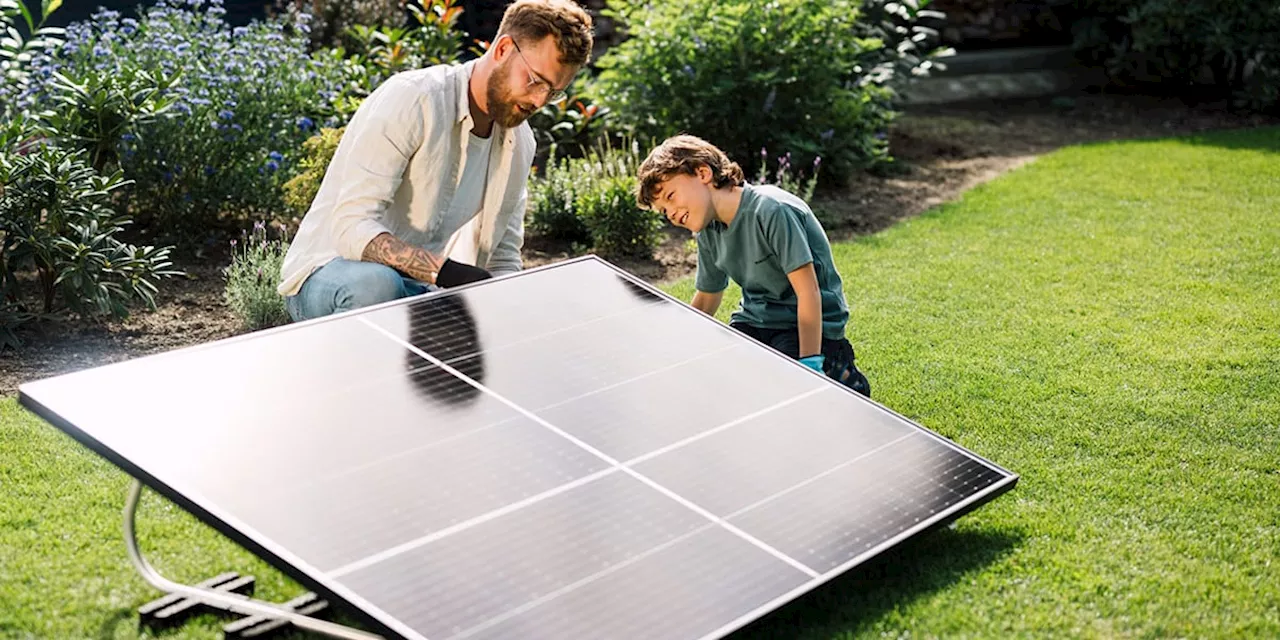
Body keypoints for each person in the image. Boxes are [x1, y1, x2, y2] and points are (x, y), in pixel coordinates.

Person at [277, 0, 594, 321]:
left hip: (421, 290)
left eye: (553, 92)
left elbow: (503, 256)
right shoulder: (414, 99)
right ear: (503, 50)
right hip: (331, 275)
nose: (539, 100)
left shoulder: (519, 142)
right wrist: (444, 272)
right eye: (535, 80)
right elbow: (350, 227)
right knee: (376, 284)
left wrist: (506, 305)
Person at [635, 135, 872, 397]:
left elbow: (809, 292)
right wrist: (677, 347)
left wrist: (810, 363)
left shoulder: (771, 210)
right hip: (758, 320)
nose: (671, 214)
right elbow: (707, 297)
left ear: (703, 173)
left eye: (670, 196)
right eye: (664, 211)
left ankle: (838, 368)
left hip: (807, 325)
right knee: (725, 376)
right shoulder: (707, 231)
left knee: (781, 385)